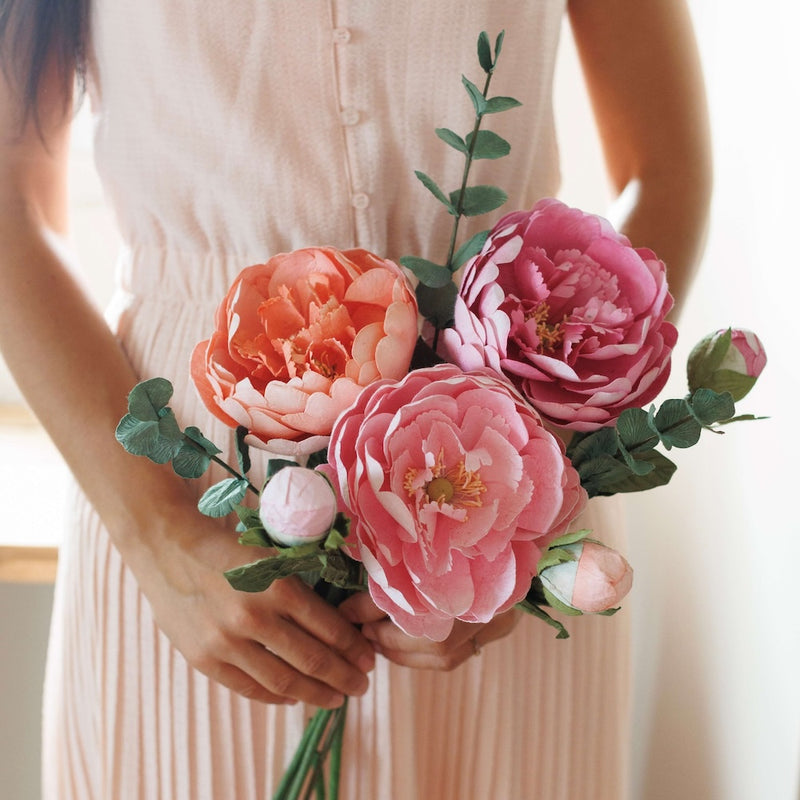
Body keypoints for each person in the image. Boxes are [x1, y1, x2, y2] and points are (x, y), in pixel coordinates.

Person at [0, 1, 711, 798]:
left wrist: (522, 502)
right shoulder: (167, 535)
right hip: (184, 513)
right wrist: (159, 537)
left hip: (507, 483)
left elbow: (667, 163)